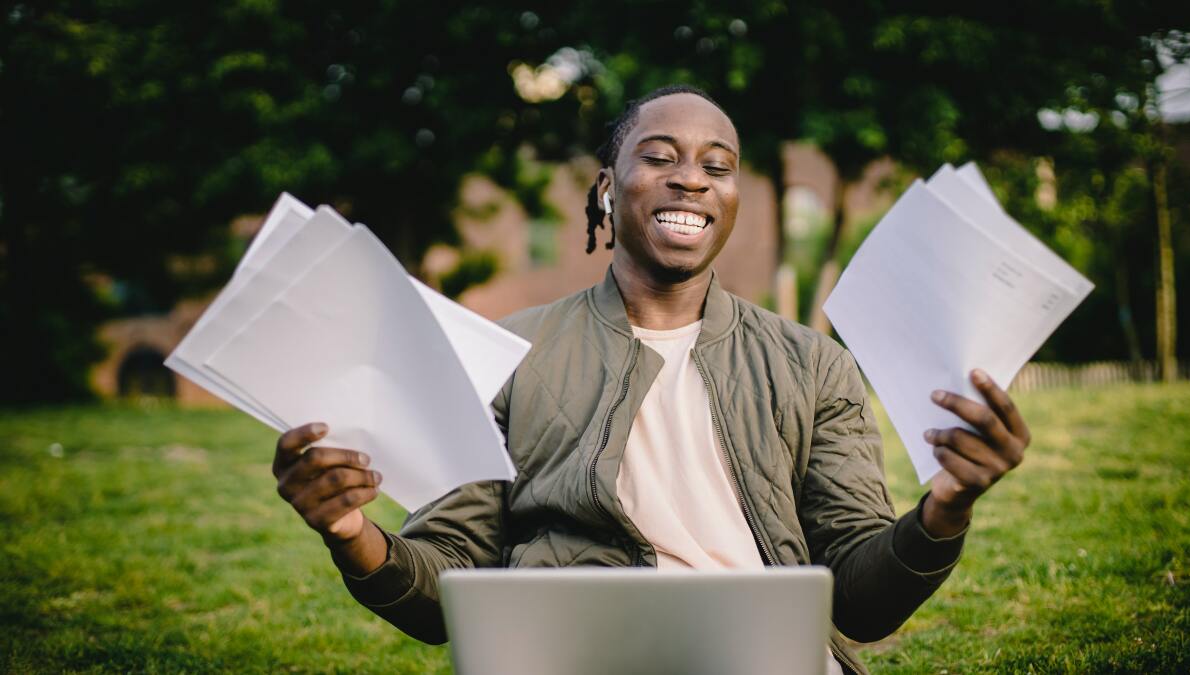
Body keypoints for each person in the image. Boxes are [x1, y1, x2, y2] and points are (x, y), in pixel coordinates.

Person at [270, 85, 1030, 674]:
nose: (690, 180)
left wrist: (945, 509)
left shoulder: (813, 365)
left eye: (716, 166)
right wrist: (350, 532)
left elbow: (862, 600)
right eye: (660, 156)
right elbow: (446, 586)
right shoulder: (505, 352)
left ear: (733, 199)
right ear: (608, 187)